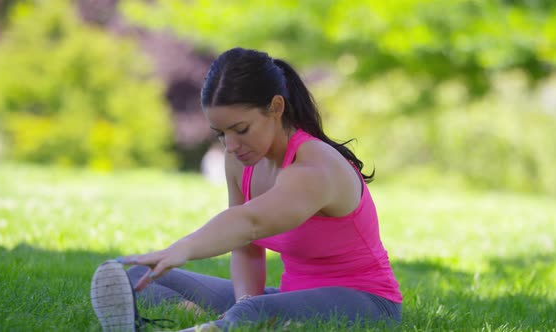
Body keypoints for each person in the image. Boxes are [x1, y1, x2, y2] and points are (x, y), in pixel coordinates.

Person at [90, 47, 402, 332]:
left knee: (256, 310)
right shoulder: (241, 160)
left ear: (276, 107)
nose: (231, 145)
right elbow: (247, 245)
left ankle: (222, 325)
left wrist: (182, 249)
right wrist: (243, 303)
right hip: (288, 298)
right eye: (221, 133)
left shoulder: (314, 167)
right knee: (135, 279)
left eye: (241, 130)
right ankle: (220, 323)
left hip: (368, 303)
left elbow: (248, 223)